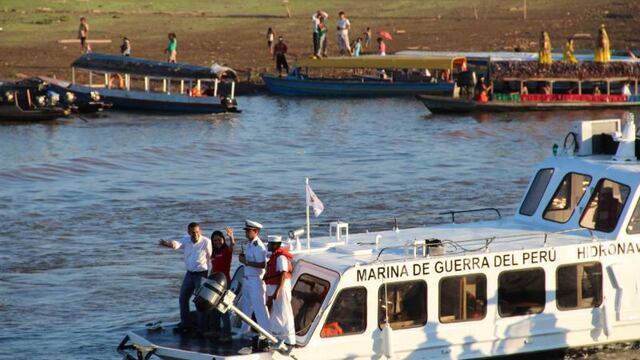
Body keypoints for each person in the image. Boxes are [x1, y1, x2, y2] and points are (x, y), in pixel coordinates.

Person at [159, 222, 212, 333]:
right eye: (193, 233)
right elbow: (177, 244)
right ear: (188, 232)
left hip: (201, 274)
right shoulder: (186, 239)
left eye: (197, 232)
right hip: (189, 274)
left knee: (200, 302)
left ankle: (203, 328)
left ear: (200, 231)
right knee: (183, 298)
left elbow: (212, 258)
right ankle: (185, 324)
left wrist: (211, 276)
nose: (195, 235)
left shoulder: (206, 242)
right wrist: (168, 244)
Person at [236, 220, 270, 336]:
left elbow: (262, 264)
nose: (246, 233)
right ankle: (244, 331)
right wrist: (245, 258)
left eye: (248, 231)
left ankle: (267, 333)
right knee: (246, 307)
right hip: (247, 279)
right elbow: (251, 260)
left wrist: (245, 261)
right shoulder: (250, 244)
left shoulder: (259, 246)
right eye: (246, 231)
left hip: (256, 280)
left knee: (259, 308)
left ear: (255, 231)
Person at [264, 236, 295, 345]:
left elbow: (283, 273)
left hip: (281, 287)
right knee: (276, 313)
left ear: (275, 245)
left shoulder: (281, 257)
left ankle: (290, 341)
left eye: (270, 244)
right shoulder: (274, 256)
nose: (268, 245)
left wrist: (278, 290)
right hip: (274, 287)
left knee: (285, 312)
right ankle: (276, 336)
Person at [209, 228, 235, 342]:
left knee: (223, 309)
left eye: (219, 240)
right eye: (215, 240)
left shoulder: (226, 251)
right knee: (213, 308)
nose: (217, 242)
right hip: (215, 282)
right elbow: (213, 268)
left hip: (225, 282)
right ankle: (215, 331)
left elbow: (232, 245)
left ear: (223, 240)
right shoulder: (214, 253)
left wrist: (231, 236)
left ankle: (227, 334)